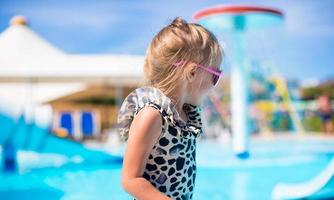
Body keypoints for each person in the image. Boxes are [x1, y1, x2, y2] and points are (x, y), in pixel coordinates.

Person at [117, 16, 224, 200]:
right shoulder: (152, 115)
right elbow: (130, 179)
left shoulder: (185, 115)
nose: (214, 85)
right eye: (215, 76)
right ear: (191, 72)